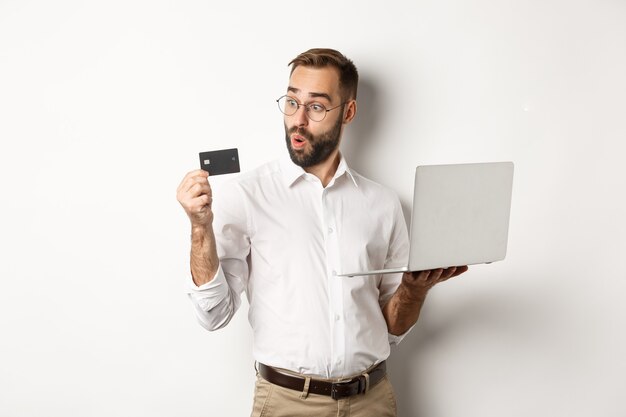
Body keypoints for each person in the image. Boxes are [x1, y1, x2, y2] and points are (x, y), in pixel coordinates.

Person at [176, 48, 468, 417]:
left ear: (348, 112)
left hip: (372, 401)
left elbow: (393, 328)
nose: (298, 119)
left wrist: (414, 289)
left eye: (316, 107)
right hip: (286, 404)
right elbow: (213, 314)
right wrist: (200, 227)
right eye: (292, 101)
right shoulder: (247, 195)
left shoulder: (382, 203)